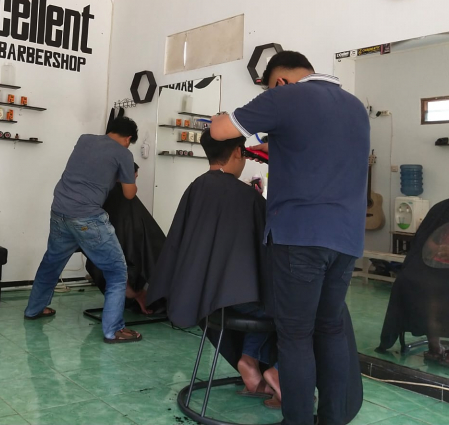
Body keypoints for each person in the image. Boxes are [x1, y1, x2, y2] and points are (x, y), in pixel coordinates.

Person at [211, 50, 370, 425]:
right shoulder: (354, 106)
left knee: (296, 336)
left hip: (300, 236)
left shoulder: (286, 96)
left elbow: (220, 131)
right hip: (346, 238)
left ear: (280, 80)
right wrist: (272, 147)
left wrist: (224, 117)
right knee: (330, 329)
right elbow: (315, 150)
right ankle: (332, 419)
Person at [147, 131, 280, 402]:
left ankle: (250, 362)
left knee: (261, 301)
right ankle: (277, 371)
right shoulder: (249, 197)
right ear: (237, 153)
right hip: (236, 298)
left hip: (199, 297)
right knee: (287, 308)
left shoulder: (195, 188)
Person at [23, 116, 143, 344]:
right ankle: (113, 330)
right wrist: (130, 178)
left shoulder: (85, 139)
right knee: (117, 271)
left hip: (60, 211)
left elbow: (92, 169)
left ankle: (34, 309)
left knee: (51, 262)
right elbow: (129, 194)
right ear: (128, 139)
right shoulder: (123, 154)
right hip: (88, 218)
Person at [378, 159, 449, 368]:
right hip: (437, 265)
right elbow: (424, 239)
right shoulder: (442, 208)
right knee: (413, 280)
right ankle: (434, 344)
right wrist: (438, 248)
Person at [85, 163, 167, 315]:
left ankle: (133, 294)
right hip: (121, 257)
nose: (135, 179)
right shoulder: (123, 198)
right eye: (135, 176)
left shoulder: (103, 194)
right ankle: (136, 294)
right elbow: (136, 237)